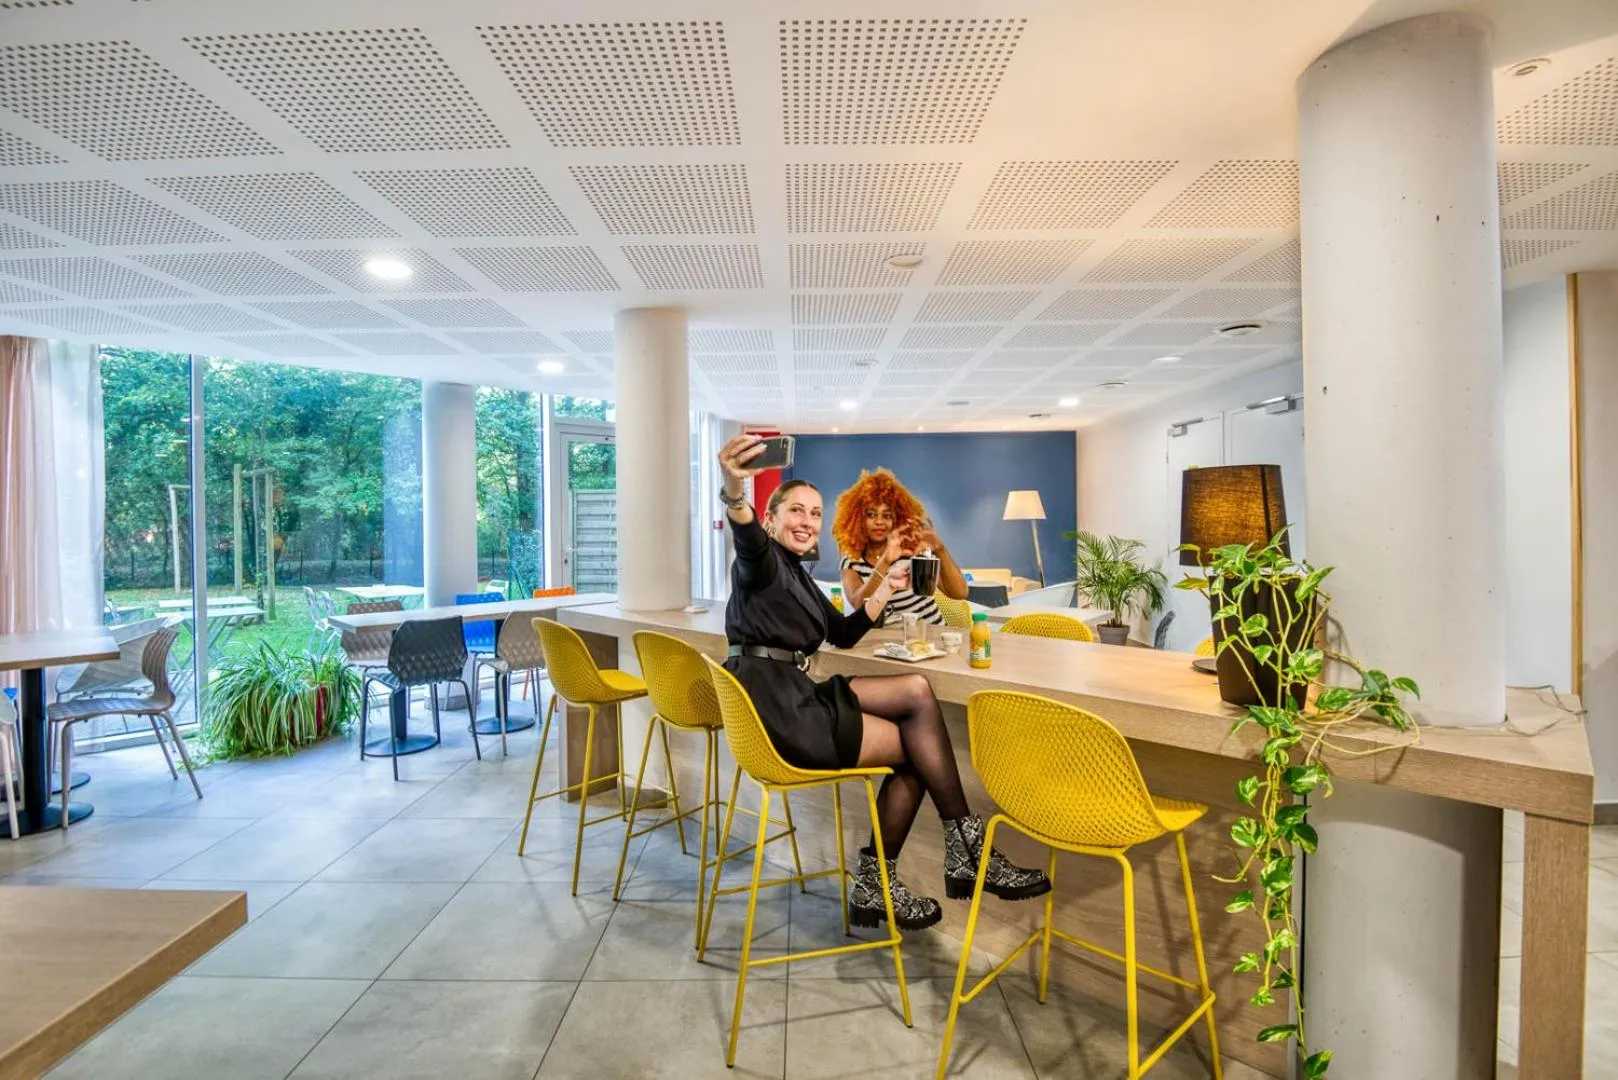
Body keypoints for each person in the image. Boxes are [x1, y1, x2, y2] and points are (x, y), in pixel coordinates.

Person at [717, 436, 1048, 931]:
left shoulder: (797, 575)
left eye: (814, 513)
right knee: (918, 751)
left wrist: (886, 586)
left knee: (916, 692)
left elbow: (843, 634)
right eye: (796, 512)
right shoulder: (762, 561)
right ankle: (942, 863)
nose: (807, 522)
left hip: (796, 694)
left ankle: (948, 858)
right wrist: (733, 490)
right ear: (770, 519)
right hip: (783, 710)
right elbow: (744, 533)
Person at [832, 468, 969, 626]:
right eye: (871, 514)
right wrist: (885, 561)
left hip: (931, 639)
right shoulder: (852, 560)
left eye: (887, 515)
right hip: (886, 647)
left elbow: (960, 593)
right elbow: (859, 605)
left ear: (897, 519)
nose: (879, 521)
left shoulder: (911, 552)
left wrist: (940, 549)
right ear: (857, 519)